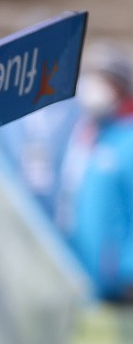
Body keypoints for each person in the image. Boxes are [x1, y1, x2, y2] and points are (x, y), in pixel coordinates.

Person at [66, 43, 133, 302]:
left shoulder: (127, 140)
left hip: (119, 287)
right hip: (76, 276)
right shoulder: (81, 135)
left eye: (104, 79)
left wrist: (127, 272)